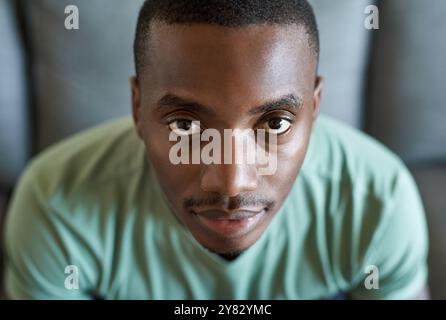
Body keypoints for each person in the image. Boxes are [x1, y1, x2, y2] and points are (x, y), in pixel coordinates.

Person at [3, 0, 429, 299]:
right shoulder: (56, 208)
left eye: (275, 123)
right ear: (137, 108)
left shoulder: (378, 201)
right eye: (186, 125)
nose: (231, 183)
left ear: (314, 109)